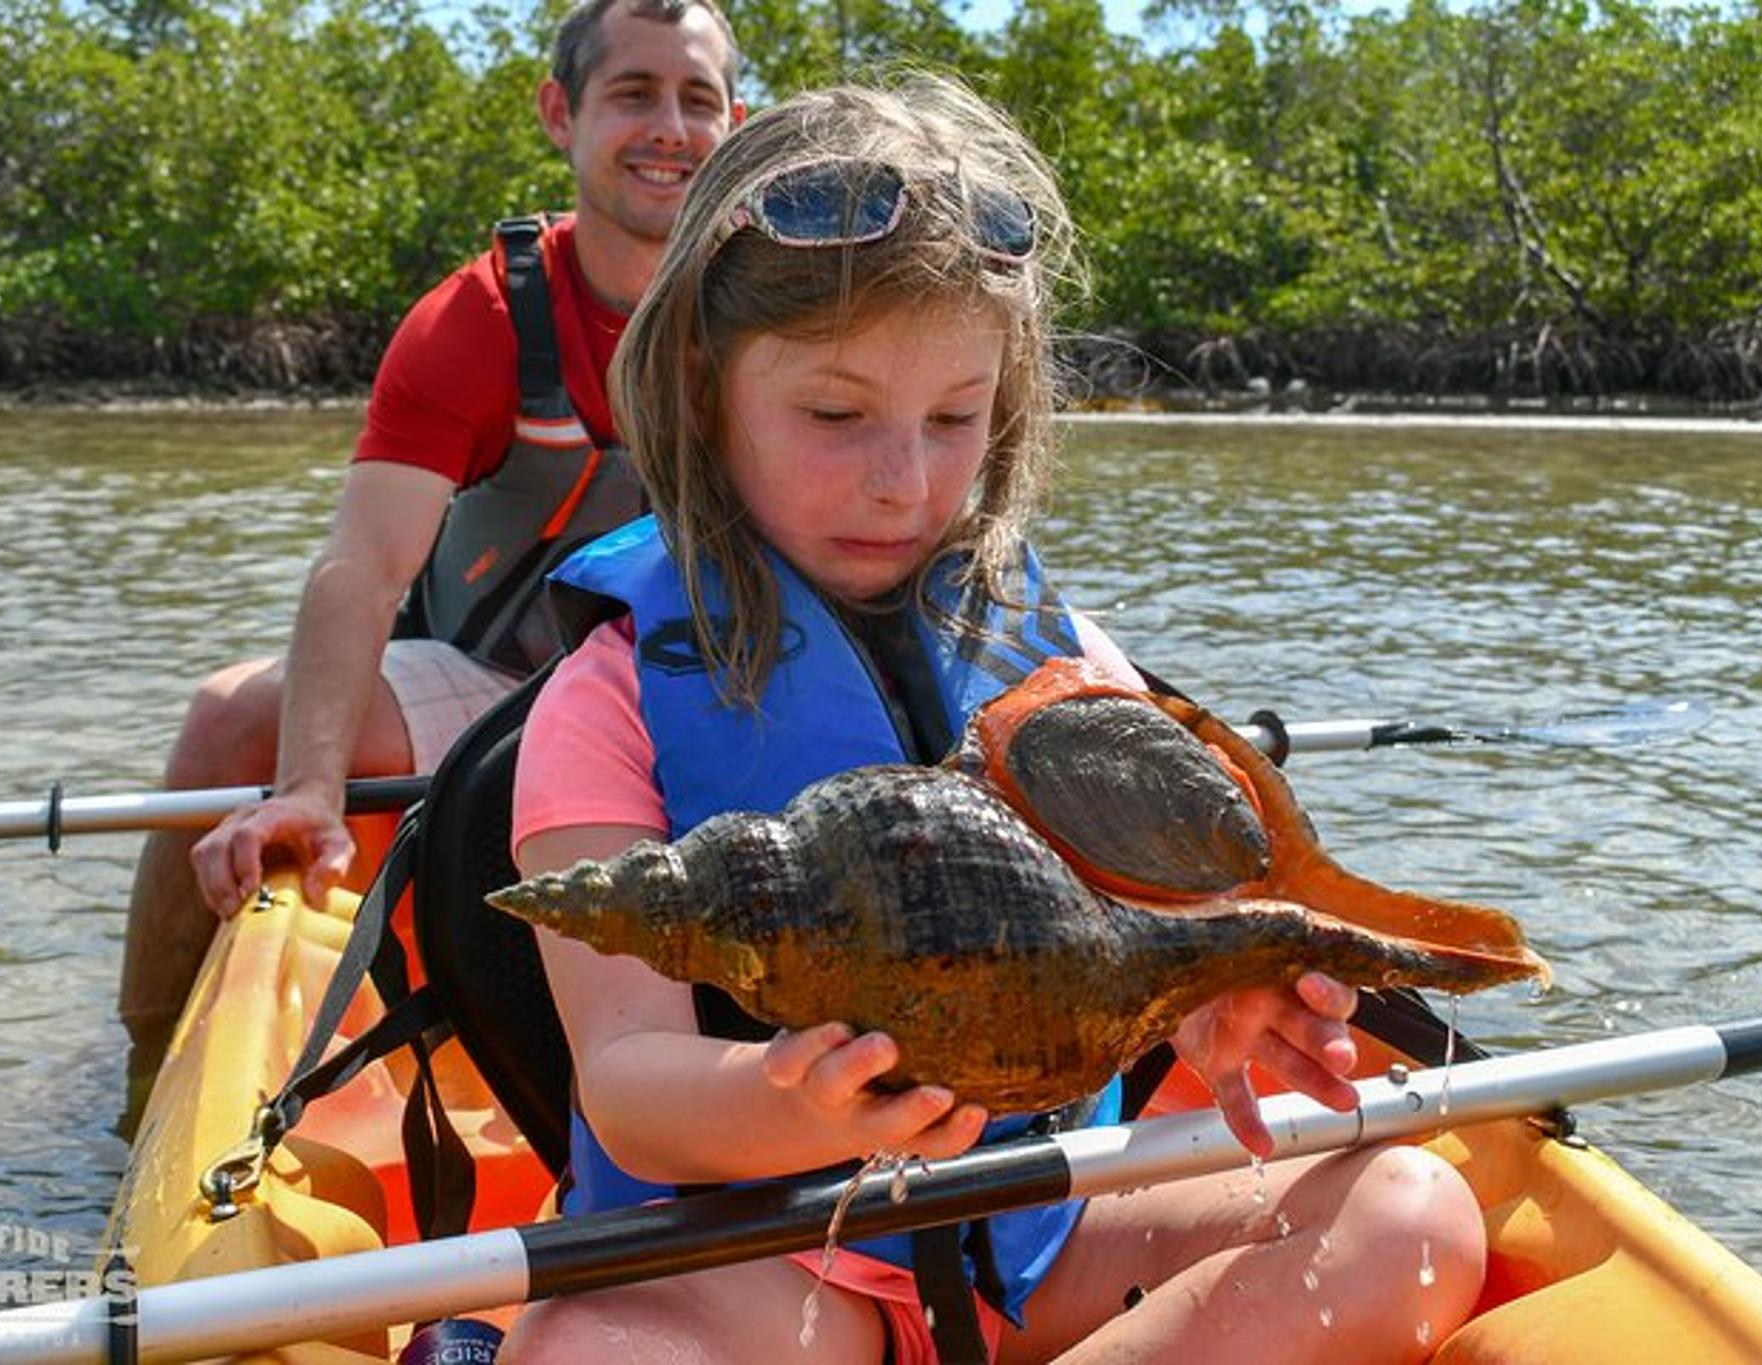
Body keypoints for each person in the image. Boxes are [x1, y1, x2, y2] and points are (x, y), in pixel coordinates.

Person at [499, 76, 1487, 1364]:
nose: (901, 479)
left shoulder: (1065, 667)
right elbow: (630, 1092)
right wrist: (804, 1102)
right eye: (834, 415)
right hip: (751, 1252)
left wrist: (1204, 1008)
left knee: (1410, 1215)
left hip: (1032, 1233)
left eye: (954, 418)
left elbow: (1162, 939)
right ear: (700, 390)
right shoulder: (606, 697)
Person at [116, 0, 746, 1062]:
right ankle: (142, 1060)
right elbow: (363, 565)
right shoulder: (479, 320)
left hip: (719, 691)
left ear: (737, 122)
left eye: (697, 99)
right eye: (631, 94)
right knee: (232, 716)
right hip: (509, 694)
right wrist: (313, 792)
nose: (669, 131)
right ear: (561, 113)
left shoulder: (777, 301)